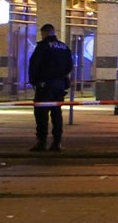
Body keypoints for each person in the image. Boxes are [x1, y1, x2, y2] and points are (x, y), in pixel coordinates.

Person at [28, 23, 72, 152]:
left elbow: (34, 64)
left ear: (44, 33)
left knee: (41, 113)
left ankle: (41, 141)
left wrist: (34, 81)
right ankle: (57, 142)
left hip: (45, 86)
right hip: (59, 86)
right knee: (56, 113)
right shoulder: (64, 47)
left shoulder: (42, 47)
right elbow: (69, 66)